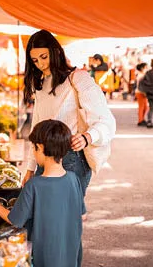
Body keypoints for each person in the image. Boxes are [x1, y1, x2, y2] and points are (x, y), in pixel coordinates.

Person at [22, 30, 116, 209]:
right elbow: (36, 129)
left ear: (56, 52)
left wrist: (87, 137)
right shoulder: (40, 83)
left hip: (71, 158)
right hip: (44, 158)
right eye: (35, 60)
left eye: (44, 57)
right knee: (47, 217)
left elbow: (107, 121)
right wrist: (30, 167)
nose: (41, 64)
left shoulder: (78, 78)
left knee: (64, 217)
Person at [0, 120, 84, 267]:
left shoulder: (34, 185)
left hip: (45, 258)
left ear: (40, 148)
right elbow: (82, 215)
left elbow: (15, 220)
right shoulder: (74, 179)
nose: (34, 153)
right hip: (71, 256)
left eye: (34, 148)